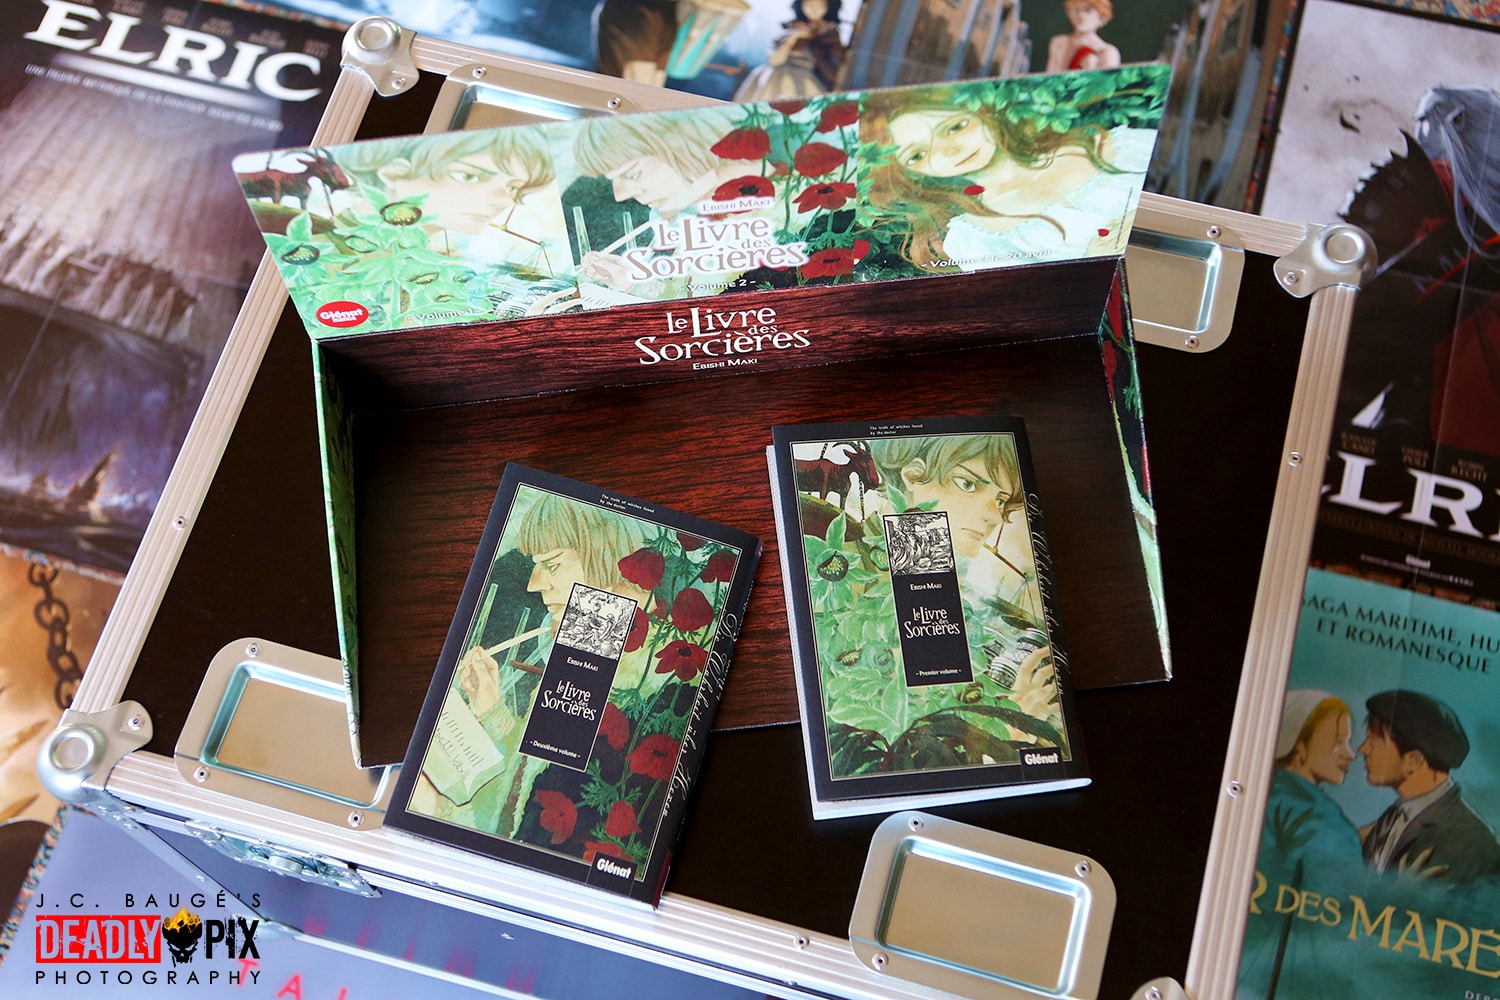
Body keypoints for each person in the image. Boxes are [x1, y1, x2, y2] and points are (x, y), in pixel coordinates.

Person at [862, 84, 1153, 271]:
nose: (949, 150)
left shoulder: (1108, 145)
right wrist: (1094, 261)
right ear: (909, 172)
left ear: (981, 111)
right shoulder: (973, 239)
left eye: (955, 127)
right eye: (917, 155)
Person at [569, 106, 782, 297]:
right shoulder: (689, 219)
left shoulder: (775, 209)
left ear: (678, 145)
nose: (620, 196)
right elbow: (687, 299)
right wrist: (630, 282)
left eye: (634, 174)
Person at [333, 127, 561, 265]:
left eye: (513, 188)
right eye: (468, 176)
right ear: (394, 173)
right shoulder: (330, 255)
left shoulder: (430, 259)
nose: (503, 200)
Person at [1357, 689, 1500, 883]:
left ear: (1413, 761)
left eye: (1373, 742)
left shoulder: (1476, 843)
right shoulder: (1390, 819)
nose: (1362, 749)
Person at [733, 0, 846, 102]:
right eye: (809, 4)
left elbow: (832, 63)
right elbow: (774, 60)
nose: (814, 9)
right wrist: (794, 38)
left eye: (820, 6)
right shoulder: (792, 29)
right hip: (776, 75)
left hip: (806, 78)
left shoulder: (829, 34)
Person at [1045, 0, 1121, 74]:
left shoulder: (1107, 52)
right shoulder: (1059, 43)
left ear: (1102, 17)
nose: (1080, 14)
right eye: (1076, 9)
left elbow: (1108, 81)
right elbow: (1050, 77)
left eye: (1087, 10)